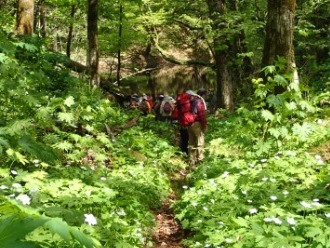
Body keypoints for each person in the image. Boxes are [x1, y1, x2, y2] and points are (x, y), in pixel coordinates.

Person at [187, 88, 207, 166]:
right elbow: (201, 114)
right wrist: (204, 124)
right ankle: (200, 159)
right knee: (200, 141)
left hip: (189, 123)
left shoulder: (189, 102)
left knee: (191, 141)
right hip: (197, 123)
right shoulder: (198, 101)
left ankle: (191, 160)